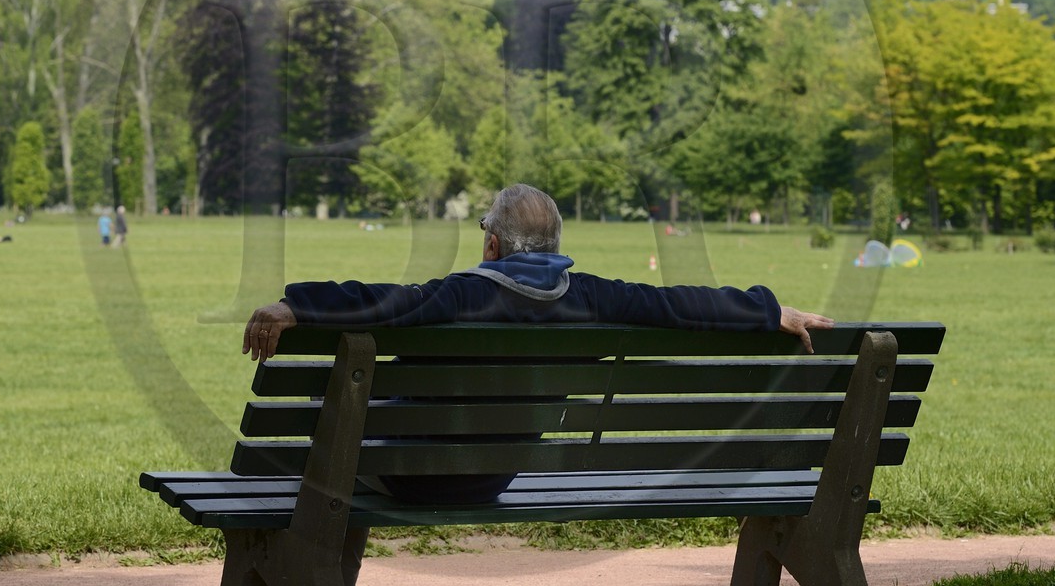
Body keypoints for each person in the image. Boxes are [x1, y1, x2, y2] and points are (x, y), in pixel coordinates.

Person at [242, 184, 834, 500]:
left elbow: (381, 298)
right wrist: (768, 310)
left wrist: (293, 305)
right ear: (553, 245)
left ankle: (321, 575)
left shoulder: (458, 296)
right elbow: (677, 304)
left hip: (410, 475)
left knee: (342, 428)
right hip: (495, 474)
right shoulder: (593, 297)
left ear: (493, 245)